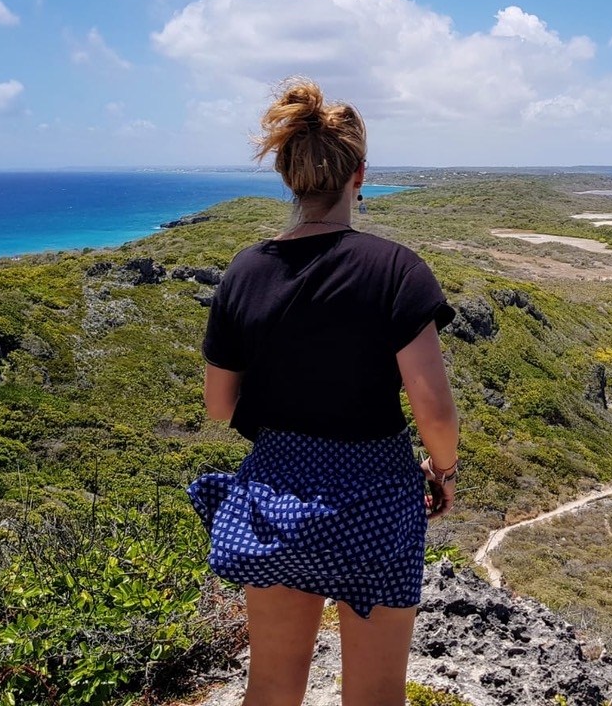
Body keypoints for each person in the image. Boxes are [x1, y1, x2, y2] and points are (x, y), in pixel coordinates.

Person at [187, 78, 459, 706]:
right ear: (359, 175)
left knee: (273, 690)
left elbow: (220, 406)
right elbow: (434, 409)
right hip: (376, 499)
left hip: (275, 498)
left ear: (289, 176)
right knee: (375, 697)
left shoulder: (246, 270)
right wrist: (442, 472)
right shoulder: (397, 269)